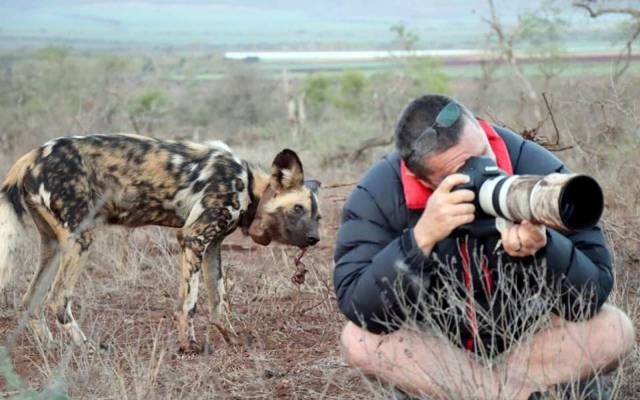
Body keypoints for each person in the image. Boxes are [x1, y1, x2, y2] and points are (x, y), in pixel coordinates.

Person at [333, 94, 635, 400]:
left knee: (615, 329)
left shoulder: (533, 165)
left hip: (531, 344)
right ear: (423, 179)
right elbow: (359, 307)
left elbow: (593, 291)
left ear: (481, 129)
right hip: (438, 351)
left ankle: (492, 391)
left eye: (484, 153)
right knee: (358, 340)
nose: (484, 169)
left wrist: (545, 248)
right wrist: (420, 239)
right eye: (463, 171)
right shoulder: (380, 192)